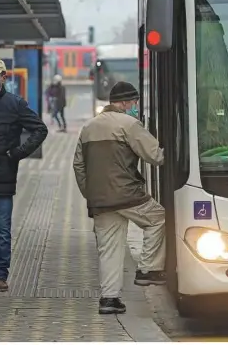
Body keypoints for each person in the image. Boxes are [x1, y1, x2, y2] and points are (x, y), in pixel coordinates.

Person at [72, 81, 166, 315]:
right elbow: (155, 156)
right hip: (127, 195)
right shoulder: (129, 124)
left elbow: (78, 166)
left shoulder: (88, 127)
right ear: (124, 103)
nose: (135, 106)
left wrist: (92, 193)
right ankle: (148, 269)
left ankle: (109, 299)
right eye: (133, 102)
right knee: (158, 218)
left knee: (109, 248)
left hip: (100, 200)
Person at [0, 58, 48, 292]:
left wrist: (18, 153)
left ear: (4, 77)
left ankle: (0, 275)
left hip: (3, 175)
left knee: (2, 230)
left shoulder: (15, 104)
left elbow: (40, 129)